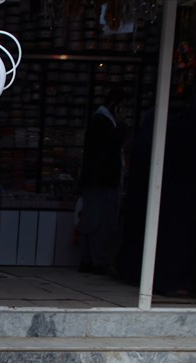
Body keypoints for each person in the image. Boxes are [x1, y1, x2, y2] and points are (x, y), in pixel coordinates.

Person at [151, 95, 196, 297]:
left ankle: (163, 281)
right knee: (188, 246)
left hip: (173, 199)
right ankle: (180, 283)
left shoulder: (178, 131)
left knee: (169, 242)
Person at [76, 87, 127, 275]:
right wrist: (121, 126)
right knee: (101, 223)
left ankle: (90, 259)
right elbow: (111, 149)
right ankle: (98, 260)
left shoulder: (99, 121)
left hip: (96, 181)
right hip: (102, 182)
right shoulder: (105, 123)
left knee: (93, 220)